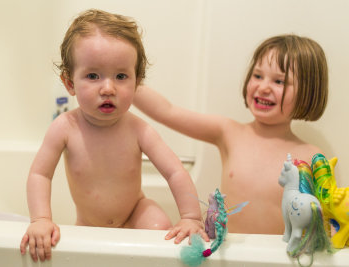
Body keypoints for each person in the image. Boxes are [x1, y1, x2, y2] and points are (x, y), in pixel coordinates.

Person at [19, 9, 208, 262]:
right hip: (89, 223)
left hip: (134, 213)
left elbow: (175, 172)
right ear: (70, 83)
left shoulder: (139, 129)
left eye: (121, 76)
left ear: (136, 82)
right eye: (93, 76)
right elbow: (40, 174)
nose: (108, 88)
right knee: (83, 258)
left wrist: (191, 217)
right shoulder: (64, 128)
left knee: (158, 224)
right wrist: (41, 219)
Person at [133, 34, 328, 235]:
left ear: (308, 91)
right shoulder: (228, 132)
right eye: (258, 76)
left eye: (279, 81)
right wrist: (122, 81)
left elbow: (326, 217)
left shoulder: (311, 156)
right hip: (228, 255)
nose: (263, 87)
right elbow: (167, 111)